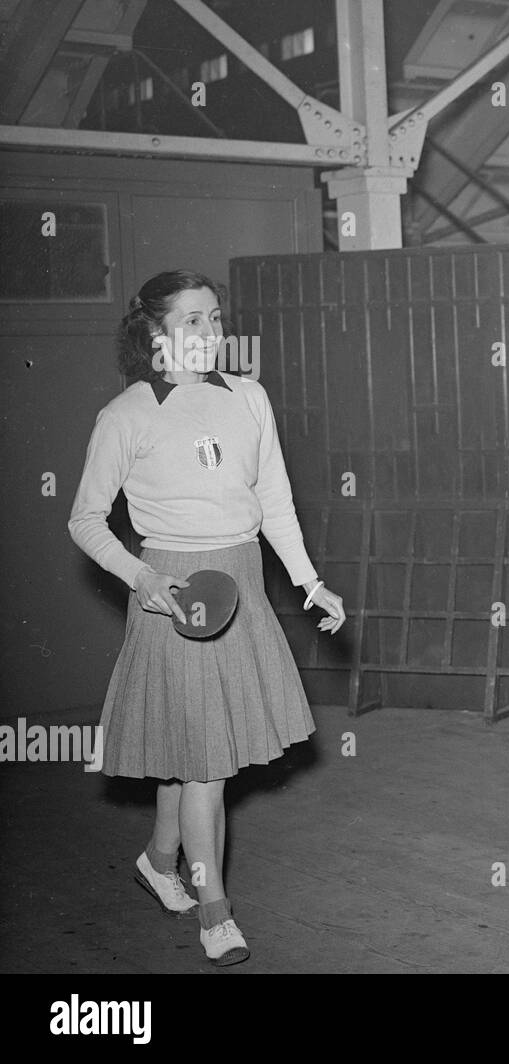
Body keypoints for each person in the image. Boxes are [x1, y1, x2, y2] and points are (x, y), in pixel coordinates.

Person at [68, 269, 345, 966]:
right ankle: (215, 913)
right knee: (207, 768)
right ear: (156, 334)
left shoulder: (248, 398)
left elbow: (274, 504)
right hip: (175, 594)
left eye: (214, 318)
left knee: (190, 755)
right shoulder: (126, 415)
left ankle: (162, 862)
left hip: (242, 585)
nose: (208, 333)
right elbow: (86, 520)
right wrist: (142, 576)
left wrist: (310, 582)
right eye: (191, 320)